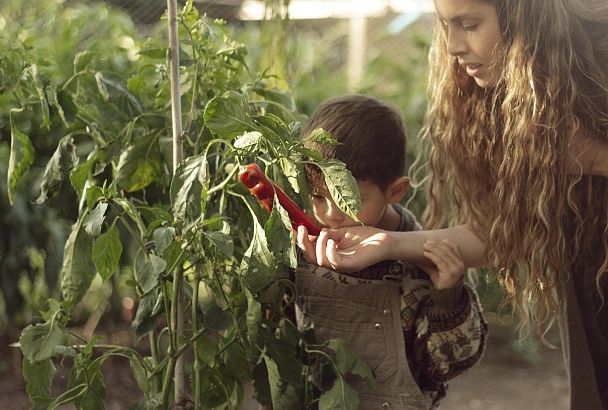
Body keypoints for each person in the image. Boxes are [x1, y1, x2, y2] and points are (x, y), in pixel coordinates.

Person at [296, 1, 608, 408]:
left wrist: (598, 159)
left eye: (470, 24)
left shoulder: (598, 63)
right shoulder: (507, 97)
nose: (454, 45)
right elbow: (497, 235)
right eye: (446, 26)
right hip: (590, 292)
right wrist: (389, 243)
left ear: (525, 16)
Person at [294, 94, 487, 409]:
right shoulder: (304, 246)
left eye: (348, 200)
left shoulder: (420, 261)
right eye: (317, 196)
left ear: (394, 191)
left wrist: (447, 296)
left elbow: (446, 366)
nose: (329, 214)